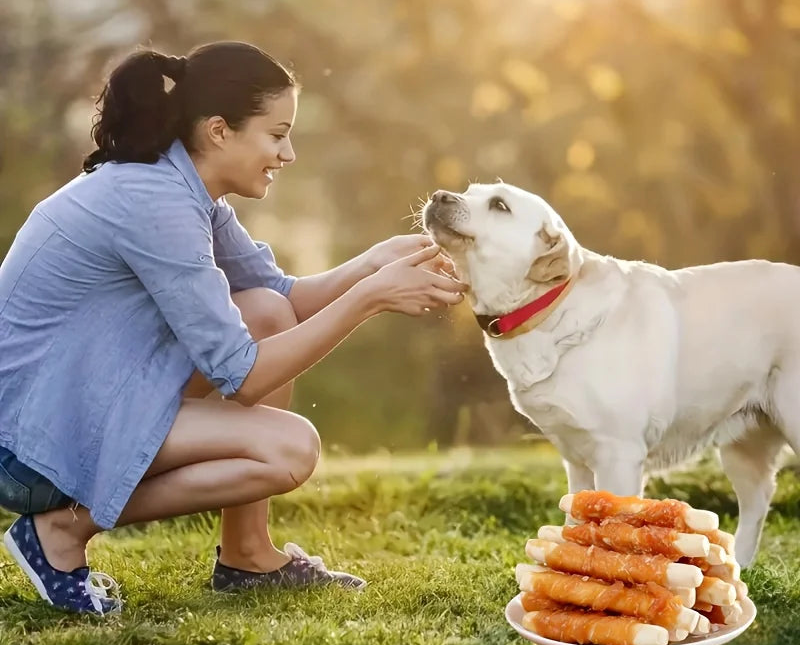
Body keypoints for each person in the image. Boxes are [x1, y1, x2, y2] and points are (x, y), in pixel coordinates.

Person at [0, 41, 466, 615]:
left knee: (267, 311)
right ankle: (60, 531)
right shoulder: (155, 203)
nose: (288, 153)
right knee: (289, 450)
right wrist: (370, 298)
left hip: (87, 399)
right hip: (32, 447)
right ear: (220, 131)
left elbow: (284, 300)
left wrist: (369, 265)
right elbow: (242, 377)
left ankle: (247, 555)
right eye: (277, 134)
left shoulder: (183, 186)